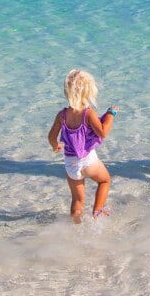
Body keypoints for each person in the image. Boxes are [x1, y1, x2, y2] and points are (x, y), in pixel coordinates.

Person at [47, 69, 118, 222]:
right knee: (104, 181)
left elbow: (51, 136)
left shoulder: (62, 115)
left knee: (77, 201)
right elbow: (103, 132)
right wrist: (111, 114)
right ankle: (97, 213)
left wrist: (56, 146)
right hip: (88, 161)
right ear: (89, 92)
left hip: (71, 164)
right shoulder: (88, 114)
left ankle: (75, 227)